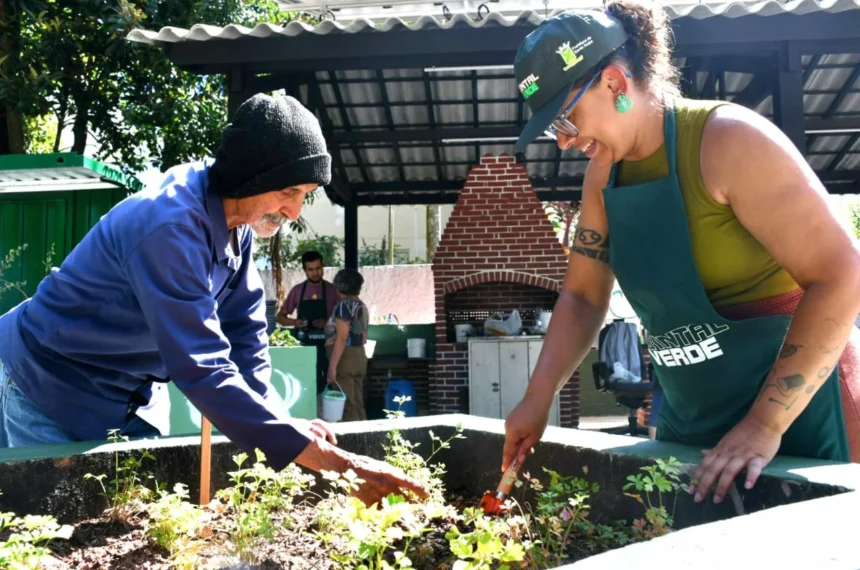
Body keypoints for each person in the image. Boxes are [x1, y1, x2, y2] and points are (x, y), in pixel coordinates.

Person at [503, 2, 860, 506]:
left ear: (613, 84)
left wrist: (765, 423)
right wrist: (536, 400)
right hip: (691, 415)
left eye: (566, 116)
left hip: (800, 416)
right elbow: (583, 296)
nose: (564, 141)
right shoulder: (602, 179)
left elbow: (843, 273)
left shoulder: (728, 141)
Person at [0, 93, 426, 506]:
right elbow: (202, 367)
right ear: (253, 174)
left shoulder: (235, 220)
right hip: (51, 386)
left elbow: (244, 331)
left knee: (144, 518)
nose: (295, 212)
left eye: (304, 195)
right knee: (59, 531)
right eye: (289, 191)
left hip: (129, 393)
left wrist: (277, 417)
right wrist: (333, 464)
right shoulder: (168, 226)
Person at [276, 250, 340, 394]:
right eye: (310, 270)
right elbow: (280, 317)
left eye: (318, 268)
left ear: (323, 267)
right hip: (303, 346)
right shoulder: (298, 291)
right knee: (304, 385)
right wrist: (295, 322)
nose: (315, 273)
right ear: (304, 270)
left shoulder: (332, 290)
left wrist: (328, 323)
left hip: (327, 347)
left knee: (325, 388)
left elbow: (344, 319)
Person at [324, 268, 370, 422]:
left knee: (347, 405)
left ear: (339, 286)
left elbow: (342, 337)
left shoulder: (344, 306)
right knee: (358, 403)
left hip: (345, 358)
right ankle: (365, 440)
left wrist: (332, 367)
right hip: (359, 356)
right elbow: (364, 337)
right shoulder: (361, 305)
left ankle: (352, 444)